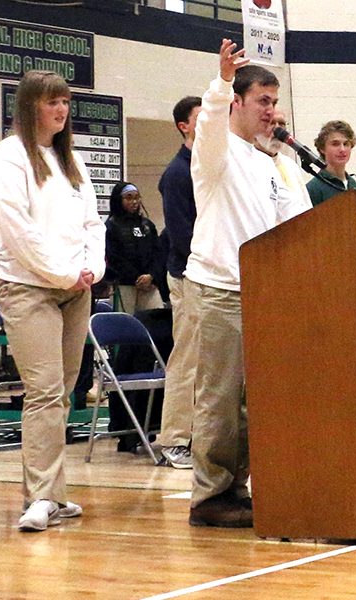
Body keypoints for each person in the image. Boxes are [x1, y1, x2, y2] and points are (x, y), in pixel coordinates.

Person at [185, 39, 309, 528]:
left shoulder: (266, 160)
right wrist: (219, 81)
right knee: (218, 398)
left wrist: (284, 157)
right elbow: (211, 120)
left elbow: (296, 219)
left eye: (275, 102)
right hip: (219, 289)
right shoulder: (216, 151)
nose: (271, 111)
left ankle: (237, 486)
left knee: (248, 403)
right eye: (263, 101)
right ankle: (209, 496)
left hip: (260, 293)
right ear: (238, 102)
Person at [0, 70, 105, 532]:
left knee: (63, 392)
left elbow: (93, 223)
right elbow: (19, 232)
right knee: (43, 390)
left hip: (76, 289)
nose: (61, 109)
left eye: (66, 102)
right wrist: (65, 272)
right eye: (52, 101)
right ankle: (38, 496)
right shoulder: (7, 159)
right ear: (30, 104)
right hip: (29, 287)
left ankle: (54, 494)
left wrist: (92, 269)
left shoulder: (71, 161)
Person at [157, 95, 202, 470]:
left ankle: (204, 435)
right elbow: (181, 233)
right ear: (183, 126)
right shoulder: (176, 173)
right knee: (186, 359)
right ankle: (173, 438)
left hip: (212, 275)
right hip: (187, 275)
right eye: (200, 119)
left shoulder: (210, 164)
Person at [104, 182, 164, 314]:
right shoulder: (111, 226)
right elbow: (113, 257)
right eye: (129, 197)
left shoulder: (148, 225)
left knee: (156, 321)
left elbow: (158, 254)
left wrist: (152, 276)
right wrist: (136, 278)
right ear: (119, 200)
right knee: (124, 325)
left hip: (150, 284)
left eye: (137, 197)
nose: (134, 201)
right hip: (124, 284)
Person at [254, 109, 312, 207]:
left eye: (281, 124)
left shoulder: (290, 165)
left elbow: (306, 207)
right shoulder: (247, 164)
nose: (278, 130)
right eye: (271, 123)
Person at [305, 120, 356, 206]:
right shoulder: (313, 189)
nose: (342, 149)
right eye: (335, 144)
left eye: (346, 144)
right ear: (322, 148)